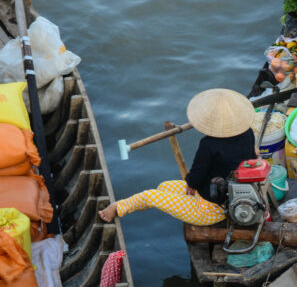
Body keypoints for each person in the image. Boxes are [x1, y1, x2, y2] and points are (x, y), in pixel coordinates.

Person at [98, 88, 256, 224]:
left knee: (149, 196)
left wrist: (192, 184)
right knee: (163, 187)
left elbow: (196, 175)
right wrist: (193, 184)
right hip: (229, 193)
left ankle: (117, 207)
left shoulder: (209, 144)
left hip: (212, 209)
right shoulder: (247, 133)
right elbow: (251, 160)